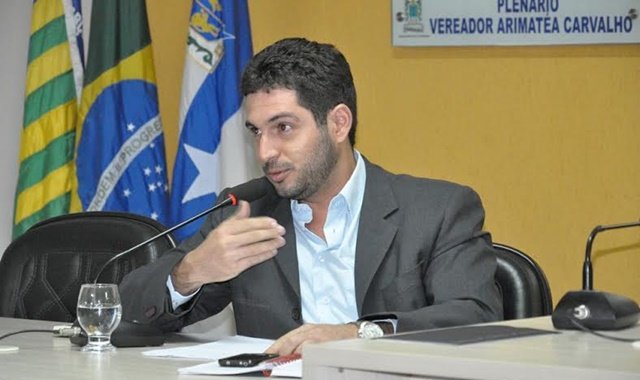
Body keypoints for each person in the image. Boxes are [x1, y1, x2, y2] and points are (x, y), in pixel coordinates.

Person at [119, 37, 502, 355]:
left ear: (338, 123)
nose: (265, 152)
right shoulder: (247, 213)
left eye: (283, 127)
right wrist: (190, 272)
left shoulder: (436, 210)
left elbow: (477, 317)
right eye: (256, 131)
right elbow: (127, 314)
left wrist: (358, 334)